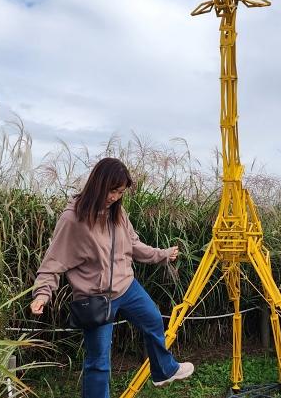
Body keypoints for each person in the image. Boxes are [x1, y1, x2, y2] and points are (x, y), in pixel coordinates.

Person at [30, 157, 193, 397]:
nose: (115, 197)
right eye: (112, 190)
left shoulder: (118, 213)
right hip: (95, 298)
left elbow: (133, 245)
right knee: (98, 362)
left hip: (127, 288)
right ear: (99, 183)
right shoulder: (73, 219)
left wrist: (162, 254)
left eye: (120, 192)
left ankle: (164, 371)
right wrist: (42, 294)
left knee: (153, 320)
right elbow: (54, 260)